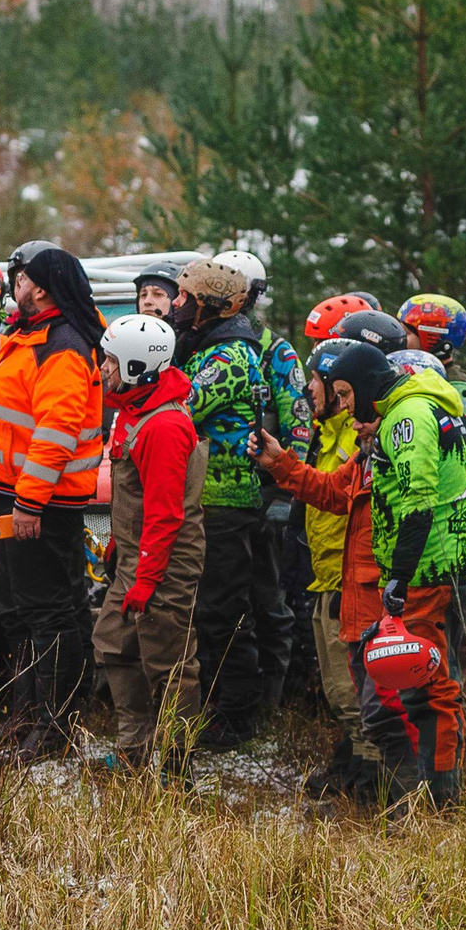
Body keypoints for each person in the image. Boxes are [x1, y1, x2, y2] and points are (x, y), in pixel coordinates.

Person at [0, 243, 106, 758]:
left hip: (34, 505)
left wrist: (30, 505)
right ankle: (25, 717)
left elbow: (56, 432)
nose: (12, 283)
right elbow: (5, 356)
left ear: (39, 287)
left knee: (46, 614)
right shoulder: (32, 332)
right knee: (13, 606)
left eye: (19, 276)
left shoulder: (62, 344)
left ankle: (52, 729)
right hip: (7, 499)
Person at [350, 341, 466, 806]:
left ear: (364, 387)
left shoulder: (410, 416)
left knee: (432, 687)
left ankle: (444, 801)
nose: (345, 406)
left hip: (430, 566)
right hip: (431, 562)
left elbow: (418, 502)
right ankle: (436, 791)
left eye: (346, 394)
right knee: (427, 686)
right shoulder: (415, 407)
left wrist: (399, 576)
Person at [166, 256, 276, 750]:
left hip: (226, 500)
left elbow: (182, 407)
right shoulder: (205, 345)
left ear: (209, 304)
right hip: (204, 496)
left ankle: (236, 714)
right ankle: (214, 703)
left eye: (183, 296)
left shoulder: (230, 357)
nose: (174, 303)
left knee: (222, 610)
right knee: (204, 608)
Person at [90, 313, 205, 772]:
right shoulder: (131, 409)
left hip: (165, 558)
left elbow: (165, 515)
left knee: (169, 663)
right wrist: (119, 548)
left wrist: (146, 580)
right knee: (112, 642)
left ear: (137, 367)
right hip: (138, 554)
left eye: (110, 362)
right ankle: (134, 749)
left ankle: (178, 766)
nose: (102, 370)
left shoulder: (162, 426)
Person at [272, 336, 379, 791]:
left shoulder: (361, 440)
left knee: (353, 691)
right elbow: (326, 491)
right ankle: (355, 762)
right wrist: (281, 463)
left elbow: (344, 500)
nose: (309, 392)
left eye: (317, 381)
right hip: (327, 577)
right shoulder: (328, 436)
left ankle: (372, 773)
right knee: (340, 690)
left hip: (350, 581)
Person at [211, 249, 311, 718]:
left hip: (266, 491)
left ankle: (272, 697)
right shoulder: (208, 344)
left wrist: (286, 492)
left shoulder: (276, 350)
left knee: (268, 594)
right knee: (227, 598)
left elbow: (299, 423)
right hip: (223, 494)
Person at [400, 294, 466, 419]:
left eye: (406, 333)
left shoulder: (461, 390)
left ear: (431, 338)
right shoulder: (410, 377)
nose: (400, 339)